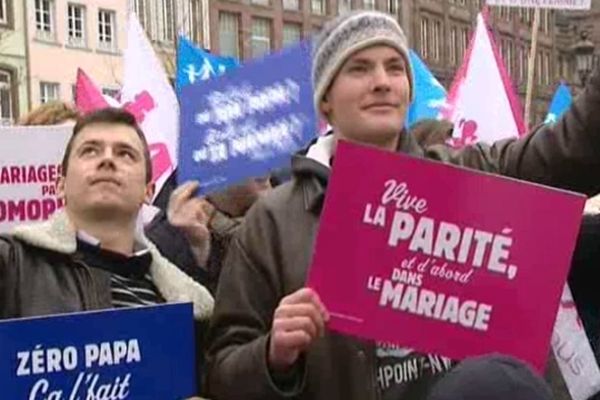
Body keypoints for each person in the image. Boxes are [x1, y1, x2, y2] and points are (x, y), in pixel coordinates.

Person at [205, 10, 600, 400]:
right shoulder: (272, 223)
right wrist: (274, 355)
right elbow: (221, 370)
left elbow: (570, 151)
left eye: (395, 68)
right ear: (325, 99)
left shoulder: (467, 176)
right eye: (359, 69)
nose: (382, 82)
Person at [0, 107, 213, 390]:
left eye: (125, 153)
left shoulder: (192, 306)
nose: (108, 160)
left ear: (148, 191)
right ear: (59, 185)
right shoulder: (12, 265)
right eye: (90, 151)